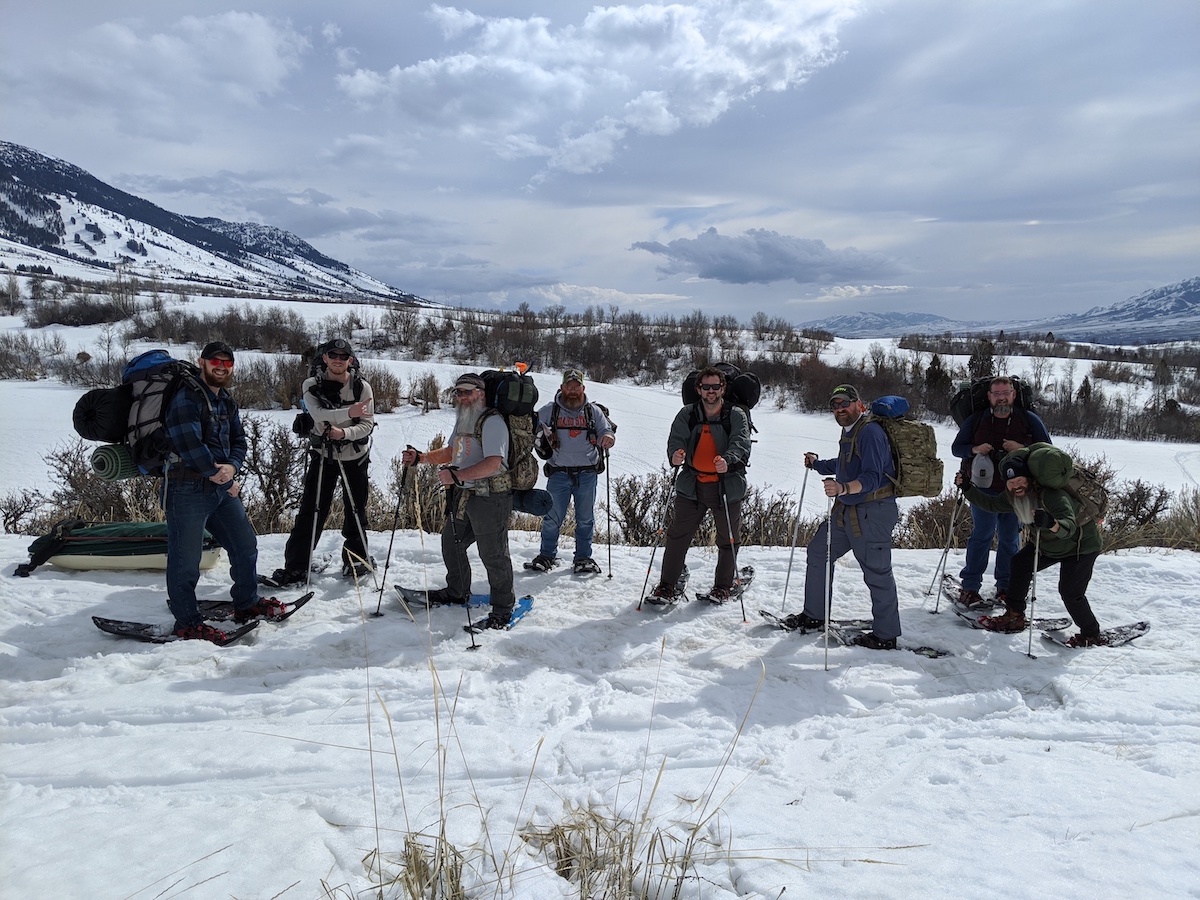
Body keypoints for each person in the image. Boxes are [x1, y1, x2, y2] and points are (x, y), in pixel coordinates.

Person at [163, 341, 284, 641]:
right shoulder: (186, 398)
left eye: (226, 363)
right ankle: (187, 622)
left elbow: (239, 440)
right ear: (201, 362)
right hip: (186, 488)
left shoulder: (225, 400)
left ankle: (246, 602)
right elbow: (189, 446)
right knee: (185, 560)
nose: (220, 367)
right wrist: (224, 477)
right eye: (214, 361)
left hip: (220, 489)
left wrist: (232, 467)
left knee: (245, 546)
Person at [789, 384, 901, 650]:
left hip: (873, 512)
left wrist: (843, 488)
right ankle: (815, 616)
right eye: (835, 405)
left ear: (858, 404)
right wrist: (817, 464)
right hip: (847, 510)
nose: (840, 409)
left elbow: (873, 477)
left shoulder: (871, 432)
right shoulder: (850, 432)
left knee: (877, 571)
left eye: (845, 403)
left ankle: (885, 636)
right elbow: (844, 464)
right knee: (819, 552)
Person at [401, 373, 516, 629]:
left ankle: (503, 608)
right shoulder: (465, 419)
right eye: (458, 392)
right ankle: (457, 590)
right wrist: (421, 458)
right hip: (465, 494)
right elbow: (452, 451)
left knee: (493, 553)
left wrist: (457, 475)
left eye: (467, 392)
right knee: (451, 543)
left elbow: (494, 463)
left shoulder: (493, 421)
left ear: (481, 393)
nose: (462, 397)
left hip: (490, 496)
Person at [957, 452, 1105, 646]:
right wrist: (968, 488)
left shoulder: (1052, 496)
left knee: (1071, 593)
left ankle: (1091, 633)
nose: (1015, 486)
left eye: (1019, 480)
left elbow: (1068, 525)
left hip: (1080, 547)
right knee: (1019, 564)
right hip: (1047, 546)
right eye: (1010, 483)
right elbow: (991, 504)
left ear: (1029, 479)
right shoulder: (1013, 496)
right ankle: (1014, 616)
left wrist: (1051, 523)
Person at [271, 338, 376, 585]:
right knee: (312, 510)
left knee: (356, 510)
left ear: (350, 361)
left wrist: (344, 432)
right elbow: (318, 416)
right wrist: (349, 414)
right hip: (324, 455)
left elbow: (367, 424)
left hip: (355, 456)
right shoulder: (311, 384)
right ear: (325, 358)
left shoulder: (363, 388)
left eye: (343, 356)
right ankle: (296, 566)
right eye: (333, 356)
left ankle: (356, 562)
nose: (338, 360)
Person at [647, 366, 751, 603]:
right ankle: (666, 585)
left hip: (726, 486)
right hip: (691, 485)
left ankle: (722, 586)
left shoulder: (735, 415)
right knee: (677, 537)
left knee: (728, 539)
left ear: (723, 388)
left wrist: (729, 460)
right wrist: (675, 454)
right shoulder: (688, 413)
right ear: (699, 389)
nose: (711, 392)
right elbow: (676, 438)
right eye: (706, 387)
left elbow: (741, 442)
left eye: (716, 387)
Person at [951, 375, 1051, 609]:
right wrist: (975, 448)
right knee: (981, 536)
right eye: (997, 394)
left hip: (1018, 491)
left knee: (1010, 539)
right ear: (989, 396)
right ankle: (970, 588)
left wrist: (1023, 449)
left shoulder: (1028, 420)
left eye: (1006, 392)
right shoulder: (977, 420)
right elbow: (957, 448)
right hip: (983, 490)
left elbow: (1048, 452)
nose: (1002, 397)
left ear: (1014, 394)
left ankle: (1006, 588)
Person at [527, 367, 616, 575]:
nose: (573, 390)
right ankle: (547, 556)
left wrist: (608, 438)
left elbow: (606, 430)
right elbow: (532, 429)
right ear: (562, 387)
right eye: (569, 386)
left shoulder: (593, 412)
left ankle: (583, 557)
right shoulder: (549, 410)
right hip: (559, 472)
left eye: (577, 386)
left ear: (583, 388)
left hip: (587, 473)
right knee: (552, 517)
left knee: (585, 518)